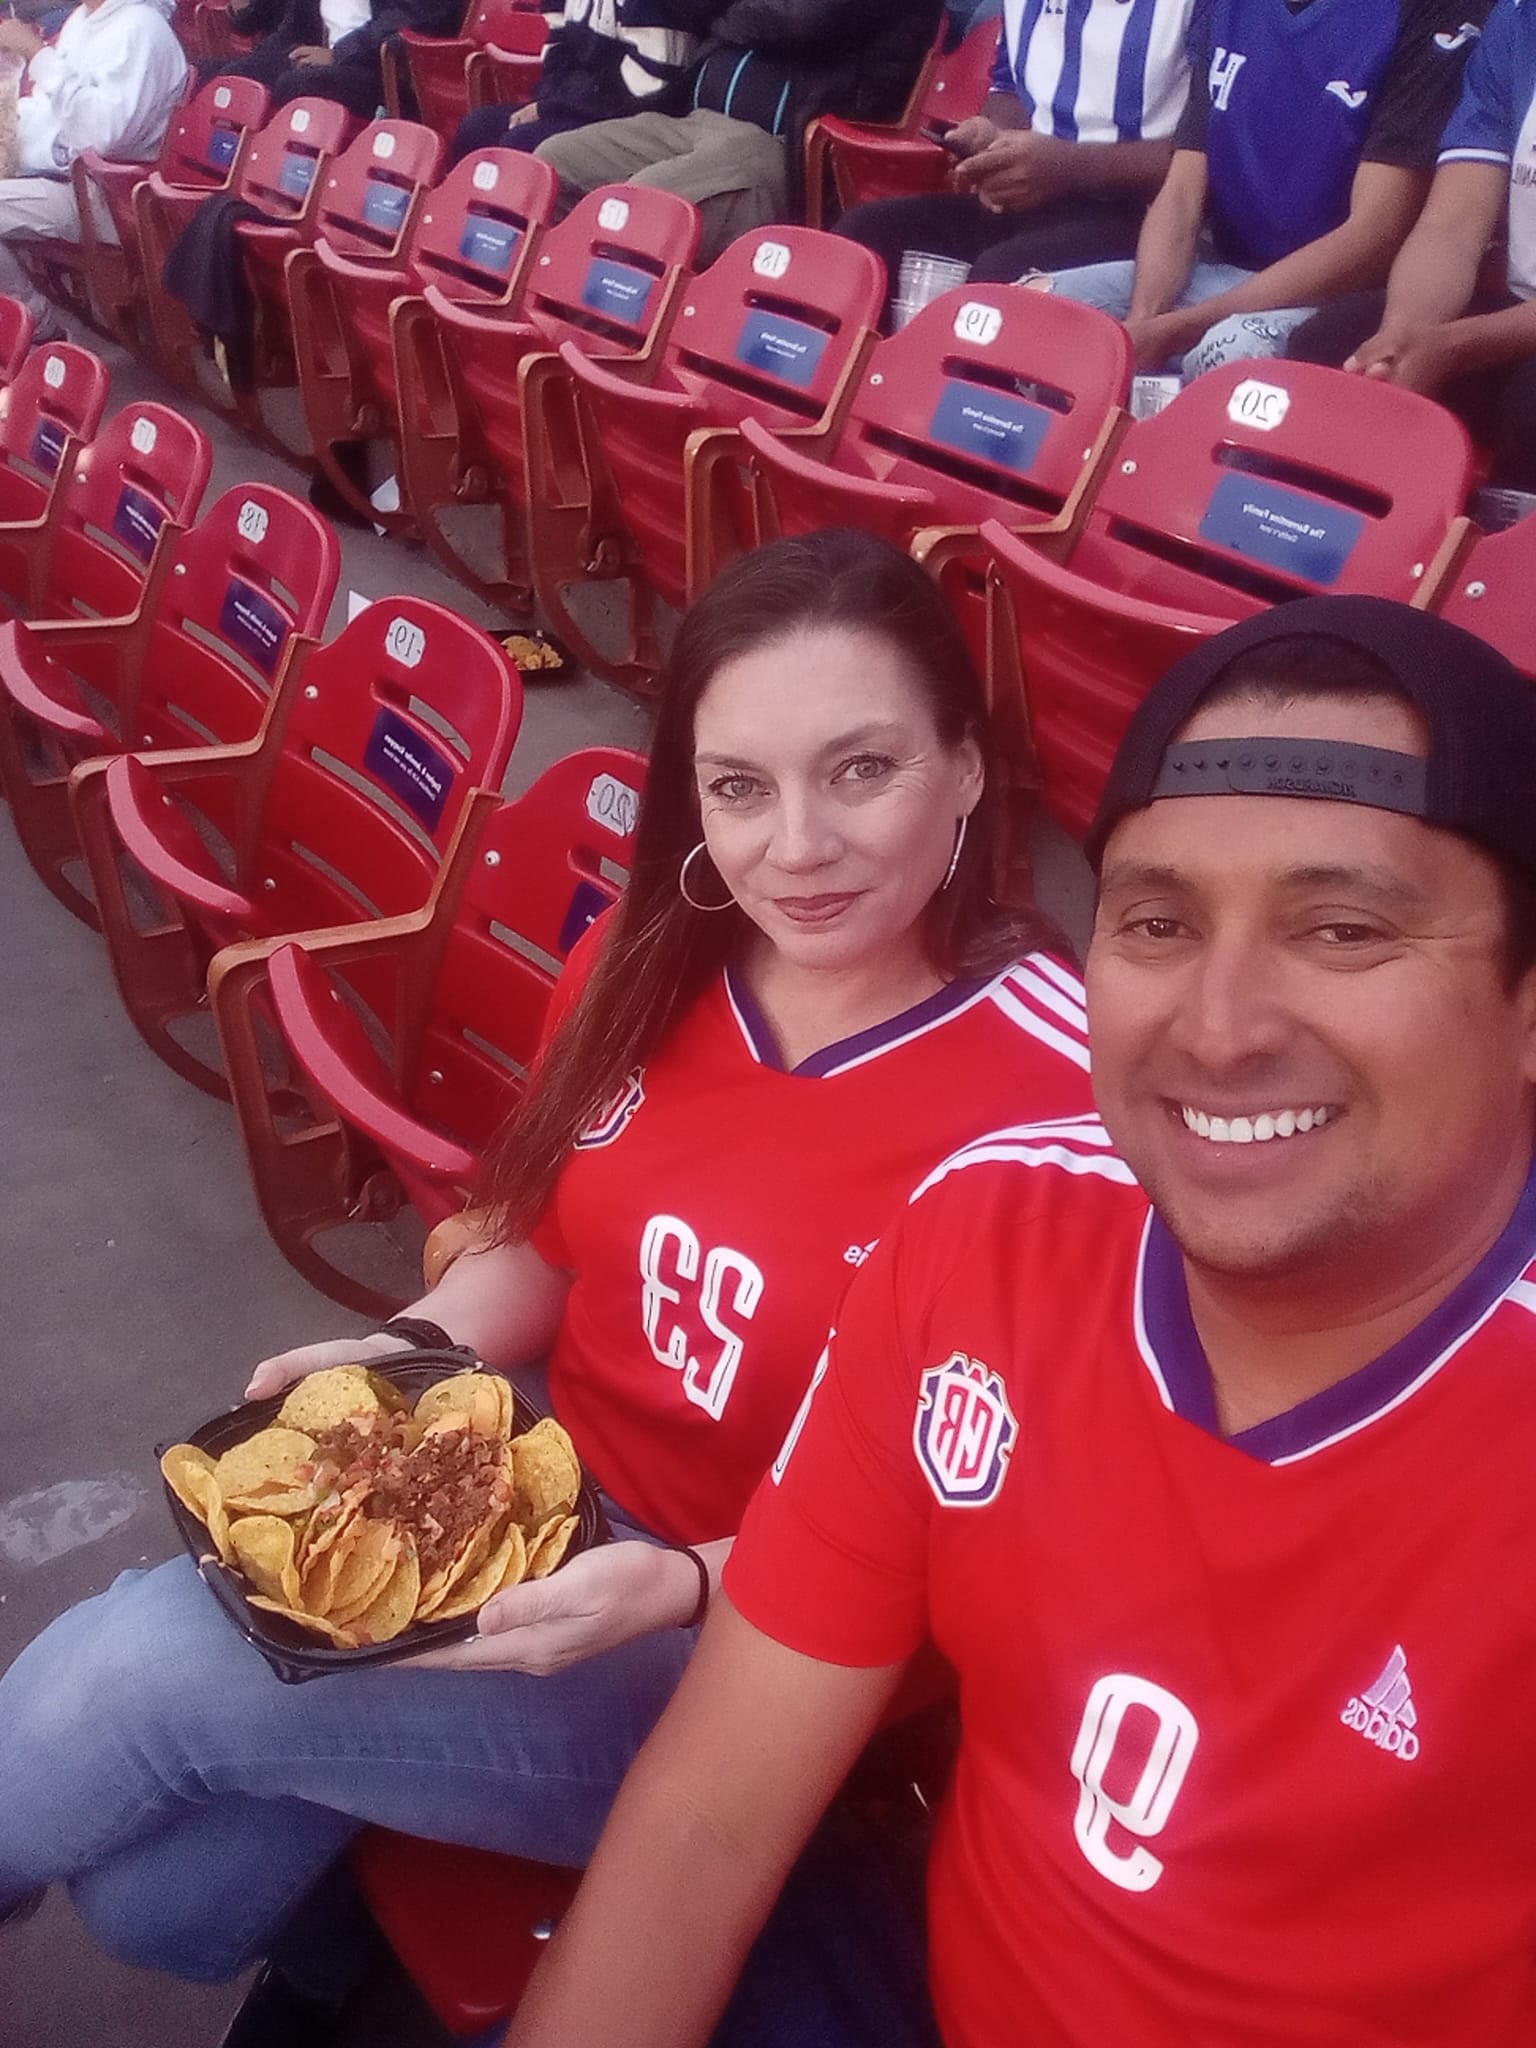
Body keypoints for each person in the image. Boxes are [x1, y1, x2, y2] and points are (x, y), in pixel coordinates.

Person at [0, 530, 1095, 2022]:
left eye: (861, 770)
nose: (797, 846)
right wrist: (410, 1342)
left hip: (754, 1659)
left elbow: (1010, 1529)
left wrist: (687, 1580)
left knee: (133, 1685)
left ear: (965, 768)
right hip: (533, 1510)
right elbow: (545, 1243)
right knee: (157, 1898)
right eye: (739, 787)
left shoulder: (1067, 1105)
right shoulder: (654, 958)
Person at [503, 593, 1536, 2048]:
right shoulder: (987, 1227)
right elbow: (712, 1815)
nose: (1221, 1025)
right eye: (1159, 922)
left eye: (1344, 928)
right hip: (919, 1967)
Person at [1046, 0, 1489, 382]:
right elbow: (1182, 191)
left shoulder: (1430, 9)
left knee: (1228, 350)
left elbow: (1373, 237)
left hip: (1333, 297)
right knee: (1039, 304)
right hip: (1222, 273)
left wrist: (1179, 328)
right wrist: (1142, 324)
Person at [1289, 0, 1536, 503]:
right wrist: (1398, 340)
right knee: (1330, 345)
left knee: (1530, 405)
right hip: (1514, 312)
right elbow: (1451, 224)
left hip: (1513, 340)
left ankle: (1491, 548)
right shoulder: (1518, 20)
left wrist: (1457, 345)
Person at [835, 0, 1196, 330]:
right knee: (865, 238)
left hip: (1145, 217)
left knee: (996, 283)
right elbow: (1007, 87)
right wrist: (991, 136)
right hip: (1036, 195)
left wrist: (1065, 167)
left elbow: (1200, 156)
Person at [533, 0, 941, 264]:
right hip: (693, 120)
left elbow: (803, 19)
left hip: (780, 146)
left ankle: (613, 352)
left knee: (647, 204)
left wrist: (724, 15)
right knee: (553, 164)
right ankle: (559, 333)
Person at [0, 0, 186, 337]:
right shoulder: (83, 19)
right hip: (62, 174)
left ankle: (36, 328)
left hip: (110, 197)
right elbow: (49, 109)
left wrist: (38, 55)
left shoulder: (141, 29)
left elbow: (98, 137)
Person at [447, 0, 699, 170]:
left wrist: (553, 108)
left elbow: (650, 80)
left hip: (642, 117)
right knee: (478, 127)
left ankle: (525, 235)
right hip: (579, 103)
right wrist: (549, 102)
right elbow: (557, 50)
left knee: (522, 143)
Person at [205, 0, 458, 118]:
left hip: (384, 71)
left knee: (298, 85)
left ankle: (288, 198)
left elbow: (416, 18)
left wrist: (340, 54)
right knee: (234, 78)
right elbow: (294, 26)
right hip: (320, 57)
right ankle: (228, 196)